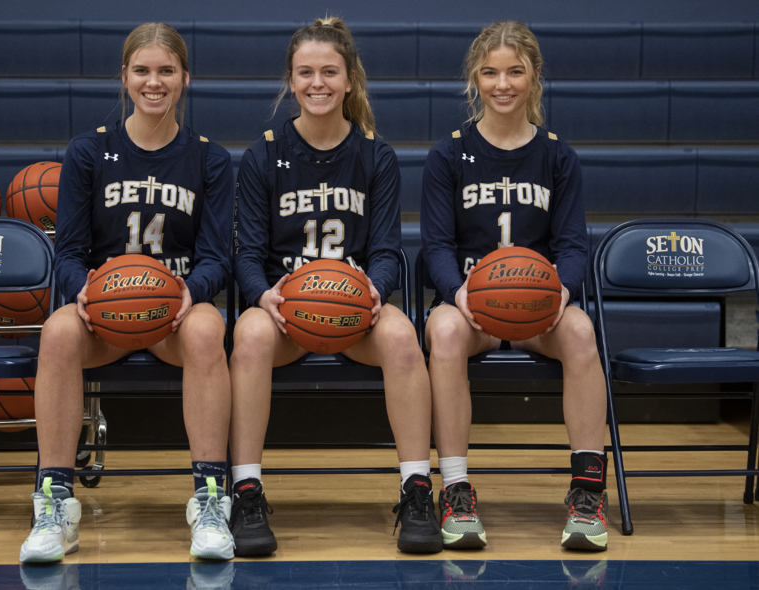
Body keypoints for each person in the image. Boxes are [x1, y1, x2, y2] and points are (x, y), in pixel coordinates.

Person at [19, 22, 235, 563]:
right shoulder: (89, 152)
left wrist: (194, 292)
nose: (153, 82)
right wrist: (84, 293)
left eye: (166, 71)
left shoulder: (209, 159)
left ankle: (211, 498)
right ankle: (54, 502)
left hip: (174, 313)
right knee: (58, 331)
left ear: (185, 78)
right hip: (106, 314)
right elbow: (67, 253)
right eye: (142, 70)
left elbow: (218, 257)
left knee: (209, 326)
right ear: (124, 76)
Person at [230, 17, 441, 556]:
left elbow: (387, 249)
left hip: (353, 308)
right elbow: (248, 254)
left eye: (329, 71)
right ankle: (246, 491)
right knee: (249, 335)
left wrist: (376, 291)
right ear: (291, 80)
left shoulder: (375, 155)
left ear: (350, 80)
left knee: (401, 338)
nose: (316, 83)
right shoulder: (264, 155)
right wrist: (264, 295)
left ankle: (418, 490)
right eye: (305, 72)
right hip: (287, 310)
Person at [421, 21, 608, 551]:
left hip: (537, 310)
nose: (502, 84)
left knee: (581, 334)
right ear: (475, 79)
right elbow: (435, 244)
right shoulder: (449, 154)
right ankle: (455, 489)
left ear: (534, 77)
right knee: (446, 333)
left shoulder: (556, 155)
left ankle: (587, 492)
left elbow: (572, 246)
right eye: (490, 72)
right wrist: (459, 292)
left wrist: (559, 294)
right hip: (472, 304)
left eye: (514, 72)